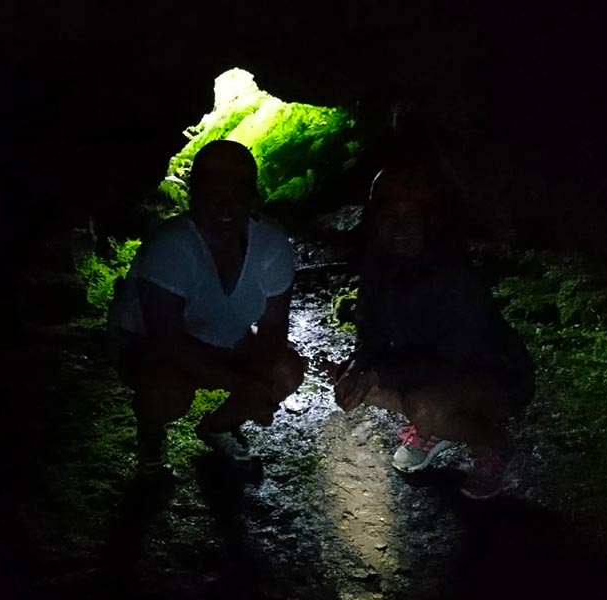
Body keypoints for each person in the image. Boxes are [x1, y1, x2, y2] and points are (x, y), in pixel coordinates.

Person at [334, 155, 535, 499]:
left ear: (429, 220)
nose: (400, 228)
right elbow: (371, 333)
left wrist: (379, 372)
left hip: (494, 376)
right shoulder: (379, 264)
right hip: (431, 368)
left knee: (425, 406)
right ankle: (439, 427)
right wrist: (356, 368)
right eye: (390, 216)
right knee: (354, 383)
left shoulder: (453, 273)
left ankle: (489, 441)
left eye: (411, 216)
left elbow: (455, 358)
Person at [108, 140, 305, 478]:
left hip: (223, 339)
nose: (224, 206)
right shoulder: (171, 246)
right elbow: (166, 339)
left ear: (251, 197)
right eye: (214, 194)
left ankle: (218, 427)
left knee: (284, 371)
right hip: (147, 344)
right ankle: (151, 434)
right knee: (167, 393)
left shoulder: (271, 244)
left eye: (236, 194)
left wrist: (257, 382)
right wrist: (242, 385)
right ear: (194, 195)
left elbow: (274, 325)